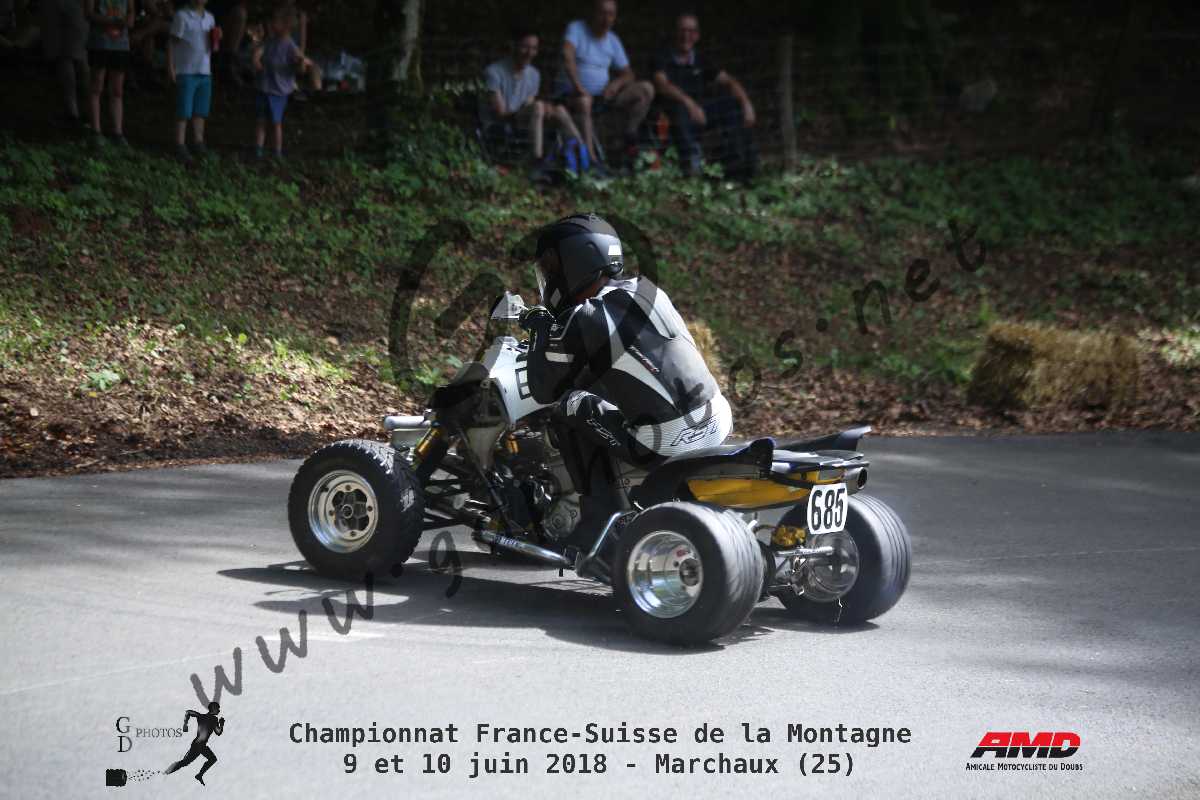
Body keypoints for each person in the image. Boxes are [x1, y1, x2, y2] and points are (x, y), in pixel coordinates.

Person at [519, 213, 732, 547]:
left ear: (575, 263)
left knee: (568, 406)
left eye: (552, 267)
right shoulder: (648, 290)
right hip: (718, 421)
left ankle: (597, 521)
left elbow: (543, 388)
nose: (550, 277)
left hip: (670, 441)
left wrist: (538, 329)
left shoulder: (585, 316)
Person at [652, 11, 757, 179]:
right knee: (678, 110)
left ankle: (737, 166)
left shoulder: (701, 59)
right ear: (675, 32)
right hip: (672, 115)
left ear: (697, 35)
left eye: (691, 31)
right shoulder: (662, 56)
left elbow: (729, 80)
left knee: (732, 106)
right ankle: (692, 167)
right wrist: (689, 104)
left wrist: (746, 103)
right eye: (682, 30)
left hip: (700, 112)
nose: (686, 36)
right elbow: (661, 84)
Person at [554, 0, 653, 172]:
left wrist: (616, 84)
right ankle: (591, 160)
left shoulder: (613, 40)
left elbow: (628, 73)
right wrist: (579, 87)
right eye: (602, 13)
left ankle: (628, 139)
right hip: (572, 94)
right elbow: (567, 55)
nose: (606, 19)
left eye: (611, 14)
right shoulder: (576, 29)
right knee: (585, 101)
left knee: (646, 89)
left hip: (602, 96)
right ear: (593, 12)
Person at [481, 28, 582, 179]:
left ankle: (582, 156)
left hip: (522, 121)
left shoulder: (534, 74)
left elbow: (528, 105)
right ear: (513, 46)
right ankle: (537, 161)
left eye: (534, 48)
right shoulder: (494, 72)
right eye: (524, 47)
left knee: (559, 110)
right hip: (500, 124)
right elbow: (500, 113)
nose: (529, 53)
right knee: (539, 106)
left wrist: (546, 109)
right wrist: (537, 108)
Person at [251, 3, 311, 160]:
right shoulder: (270, 41)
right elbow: (259, 51)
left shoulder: (290, 46)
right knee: (261, 120)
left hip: (278, 91)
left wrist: (300, 63)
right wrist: (256, 58)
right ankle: (258, 149)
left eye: (275, 20)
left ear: (287, 24)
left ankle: (277, 151)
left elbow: (300, 68)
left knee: (276, 122)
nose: (272, 23)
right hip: (264, 87)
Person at [167, 0, 215, 161]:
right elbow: (172, 42)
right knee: (184, 110)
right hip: (186, 70)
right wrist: (171, 66)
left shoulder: (210, 18)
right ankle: (179, 144)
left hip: (205, 70)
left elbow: (211, 45)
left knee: (200, 110)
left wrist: (216, 39)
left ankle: (198, 141)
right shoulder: (182, 16)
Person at [84, 0, 135, 147]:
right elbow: (88, 13)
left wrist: (129, 20)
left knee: (117, 90)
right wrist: (110, 21)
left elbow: (131, 10)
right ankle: (95, 131)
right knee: (96, 86)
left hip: (121, 44)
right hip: (100, 43)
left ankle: (117, 132)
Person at [40, 0, 91, 127]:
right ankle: (87, 110)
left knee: (64, 57)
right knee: (78, 56)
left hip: (63, 7)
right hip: (78, 9)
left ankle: (73, 112)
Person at [165, 701, 224, 785]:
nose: (219, 710)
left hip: (200, 745)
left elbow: (188, 712)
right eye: (218, 709)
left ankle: (199, 775)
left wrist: (185, 724)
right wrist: (221, 724)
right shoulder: (213, 719)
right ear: (213, 708)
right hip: (198, 745)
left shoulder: (201, 716)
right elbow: (218, 732)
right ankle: (166, 772)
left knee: (212, 759)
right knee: (184, 762)